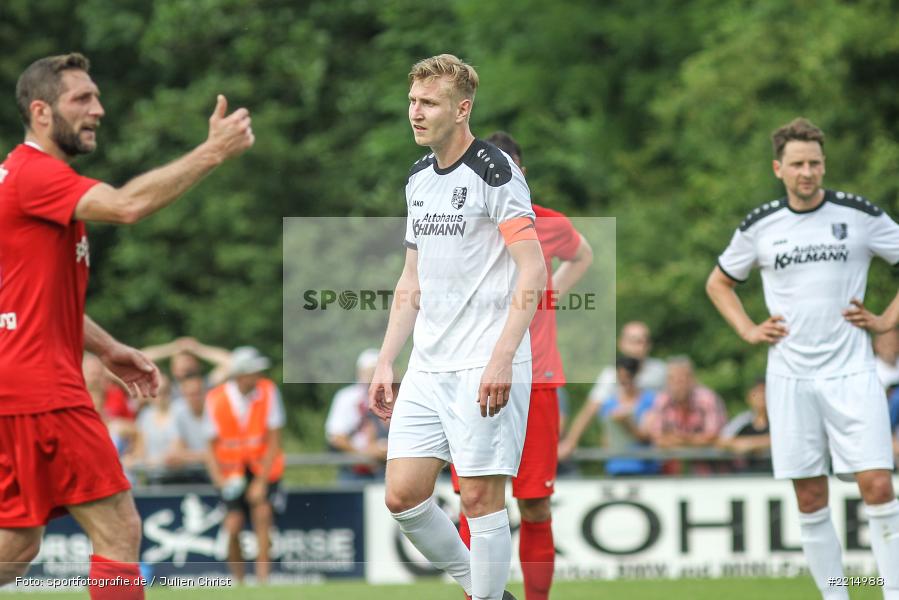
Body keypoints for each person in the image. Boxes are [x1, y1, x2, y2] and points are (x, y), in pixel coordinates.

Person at [0, 53, 252, 598]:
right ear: (41, 112)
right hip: (45, 389)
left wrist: (108, 347)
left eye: (96, 96)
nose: (99, 109)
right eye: (81, 99)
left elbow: (33, 298)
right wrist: (211, 152)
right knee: (119, 528)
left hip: (19, 385)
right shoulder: (37, 174)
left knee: (16, 545)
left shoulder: (20, 178)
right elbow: (129, 205)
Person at [368, 54, 546, 600]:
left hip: (484, 360)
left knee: (479, 498)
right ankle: (488, 591)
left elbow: (534, 267)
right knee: (402, 497)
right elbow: (411, 279)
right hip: (428, 363)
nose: (415, 113)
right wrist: (384, 359)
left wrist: (501, 357)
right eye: (412, 102)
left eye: (429, 103)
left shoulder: (495, 171)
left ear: (462, 109)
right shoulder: (419, 177)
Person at [706, 117, 899, 599]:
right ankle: (837, 594)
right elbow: (719, 282)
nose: (807, 172)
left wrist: (887, 320)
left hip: (853, 371)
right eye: (797, 164)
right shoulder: (760, 225)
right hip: (790, 377)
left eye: (814, 163)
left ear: (823, 165)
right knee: (810, 495)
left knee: (877, 485)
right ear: (779, 168)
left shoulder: (860, 215)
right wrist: (748, 328)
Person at [447, 130, 592, 600]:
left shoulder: (548, 223)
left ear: (520, 174)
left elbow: (582, 253)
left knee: (533, 504)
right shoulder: (459, 225)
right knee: (476, 504)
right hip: (473, 376)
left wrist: (548, 299)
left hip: (540, 381)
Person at [205, 346, 286, 585]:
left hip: (262, 469)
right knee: (232, 526)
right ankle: (238, 582)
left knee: (263, 515)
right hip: (230, 473)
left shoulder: (268, 391)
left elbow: (274, 440)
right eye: (253, 371)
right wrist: (218, 479)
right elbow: (209, 446)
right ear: (240, 375)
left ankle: (263, 581)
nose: (258, 375)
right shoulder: (216, 398)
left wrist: (260, 483)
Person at [560, 321, 666, 461]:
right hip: (623, 452)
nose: (638, 347)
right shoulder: (610, 374)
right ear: (621, 343)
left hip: (658, 452)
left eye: (642, 341)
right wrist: (570, 442)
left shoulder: (660, 371)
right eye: (633, 341)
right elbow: (590, 409)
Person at [641, 356, 727, 474]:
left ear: (692, 379)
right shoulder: (662, 400)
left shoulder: (708, 399)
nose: (676, 385)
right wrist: (693, 440)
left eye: (680, 379)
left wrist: (677, 439)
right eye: (672, 379)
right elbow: (658, 439)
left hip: (709, 473)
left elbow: (712, 438)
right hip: (672, 476)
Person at [325, 349, 389, 482]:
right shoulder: (347, 397)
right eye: (369, 371)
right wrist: (363, 456)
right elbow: (336, 436)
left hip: (385, 468)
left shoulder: (390, 397)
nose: (372, 376)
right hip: (354, 471)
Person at [717, 379, 771, 473]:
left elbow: (785, 440)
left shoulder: (778, 420)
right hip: (747, 474)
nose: (761, 397)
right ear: (749, 397)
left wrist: (750, 445)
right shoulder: (743, 420)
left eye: (764, 392)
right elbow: (722, 441)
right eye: (757, 393)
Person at [168, 372, 212, 483]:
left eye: (198, 393)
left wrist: (186, 457)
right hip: (190, 475)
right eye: (191, 394)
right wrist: (205, 456)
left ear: (205, 392)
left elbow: (221, 453)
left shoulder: (216, 410)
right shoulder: (178, 411)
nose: (195, 398)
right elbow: (176, 452)